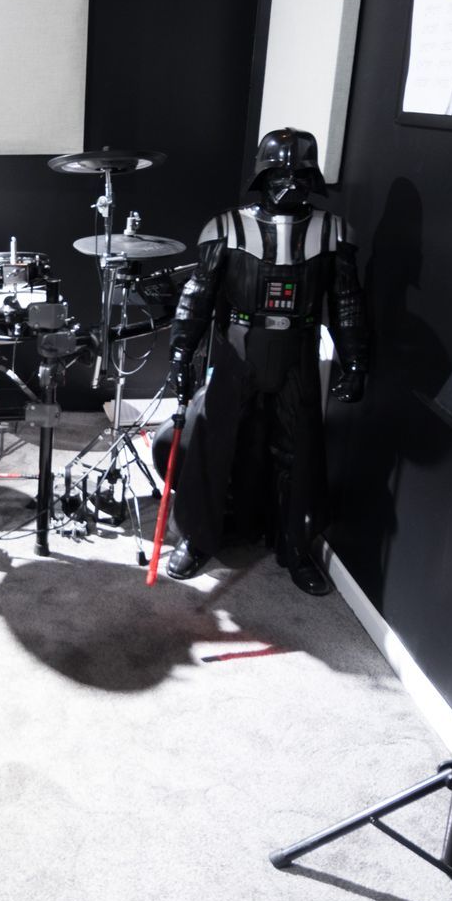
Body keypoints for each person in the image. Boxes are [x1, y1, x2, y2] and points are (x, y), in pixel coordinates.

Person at [154, 128, 368, 594]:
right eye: (278, 173)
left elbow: (348, 302)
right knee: (213, 443)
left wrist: (354, 361)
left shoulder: (333, 231)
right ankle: (198, 536)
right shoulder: (227, 228)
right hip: (237, 346)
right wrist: (180, 353)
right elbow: (197, 297)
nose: (287, 182)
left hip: (298, 349)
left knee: (300, 450)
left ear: (313, 176)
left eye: (298, 173)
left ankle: (294, 544)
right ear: (262, 175)